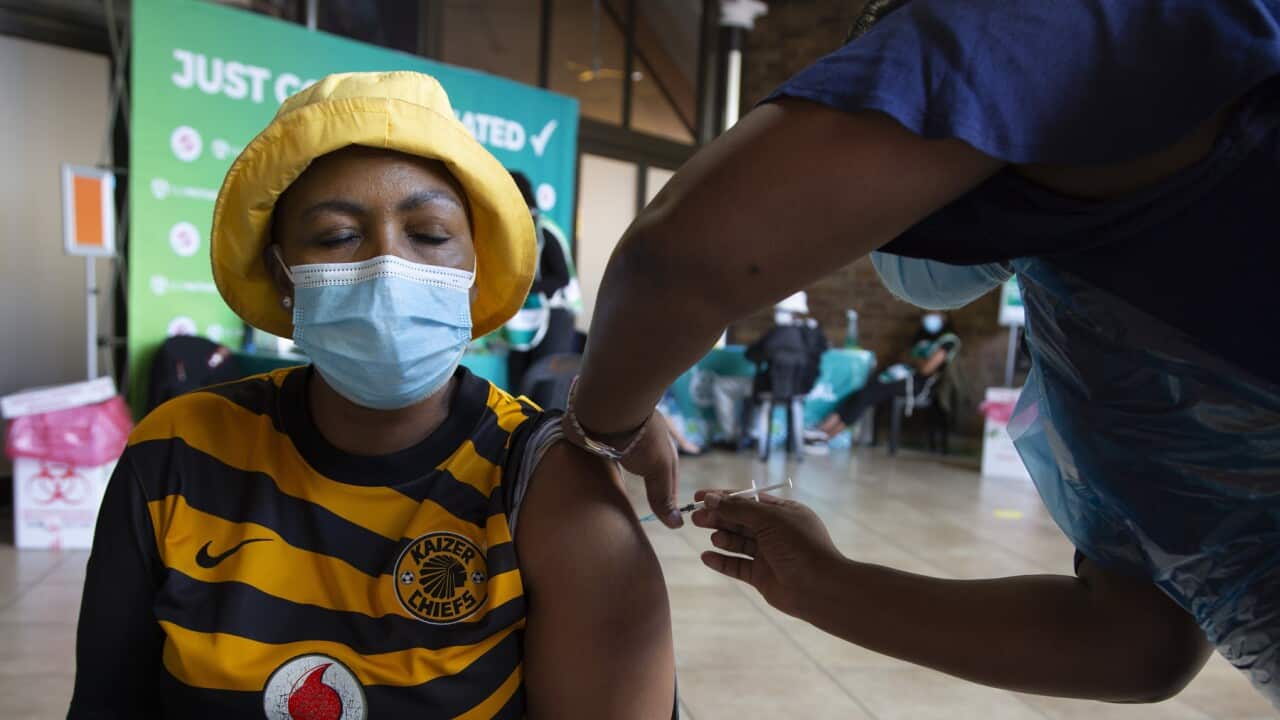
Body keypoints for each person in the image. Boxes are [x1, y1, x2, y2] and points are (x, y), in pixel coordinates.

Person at [558, 0, 1280, 707]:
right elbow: (1138, 644)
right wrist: (822, 583)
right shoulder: (1097, 303)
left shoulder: (1096, 25)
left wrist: (606, 424)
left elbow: (681, 259)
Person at [69, 72, 675, 719]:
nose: (388, 268)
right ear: (284, 278)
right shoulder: (179, 455)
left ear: (475, 269)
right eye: (336, 237)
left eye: (431, 235)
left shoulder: (545, 482)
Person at [816, 310, 958, 439]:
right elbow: (906, 357)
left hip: (917, 384)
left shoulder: (949, 340)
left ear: (944, 316)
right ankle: (824, 429)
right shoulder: (922, 335)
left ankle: (828, 434)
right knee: (863, 390)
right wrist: (918, 360)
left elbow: (926, 369)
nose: (929, 317)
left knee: (868, 394)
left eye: (934, 313)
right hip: (901, 375)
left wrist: (915, 360)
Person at [503, 170, 581, 395]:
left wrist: (524, 288)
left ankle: (543, 431)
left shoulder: (546, 230)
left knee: (546, 388)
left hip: (553, 316)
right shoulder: (512, 231)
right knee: (516, 387)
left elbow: (561, 278)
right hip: (521, 317)